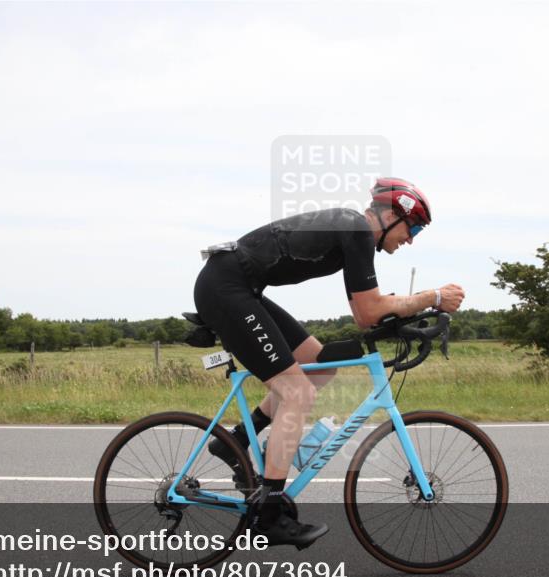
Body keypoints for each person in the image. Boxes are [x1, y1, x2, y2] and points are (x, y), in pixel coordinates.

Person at [192, 177, 464, 548]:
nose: (411, 238)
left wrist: (405, 318)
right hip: (227, 288)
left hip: (237, 286)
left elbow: (366, 312)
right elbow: (369, 311)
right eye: (412, 226)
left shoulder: (353, 233)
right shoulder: (355, 229)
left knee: (321, 365)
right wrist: (431, 297)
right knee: (297, 393)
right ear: (389, 214)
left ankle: (236, 440)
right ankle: (270, 512)